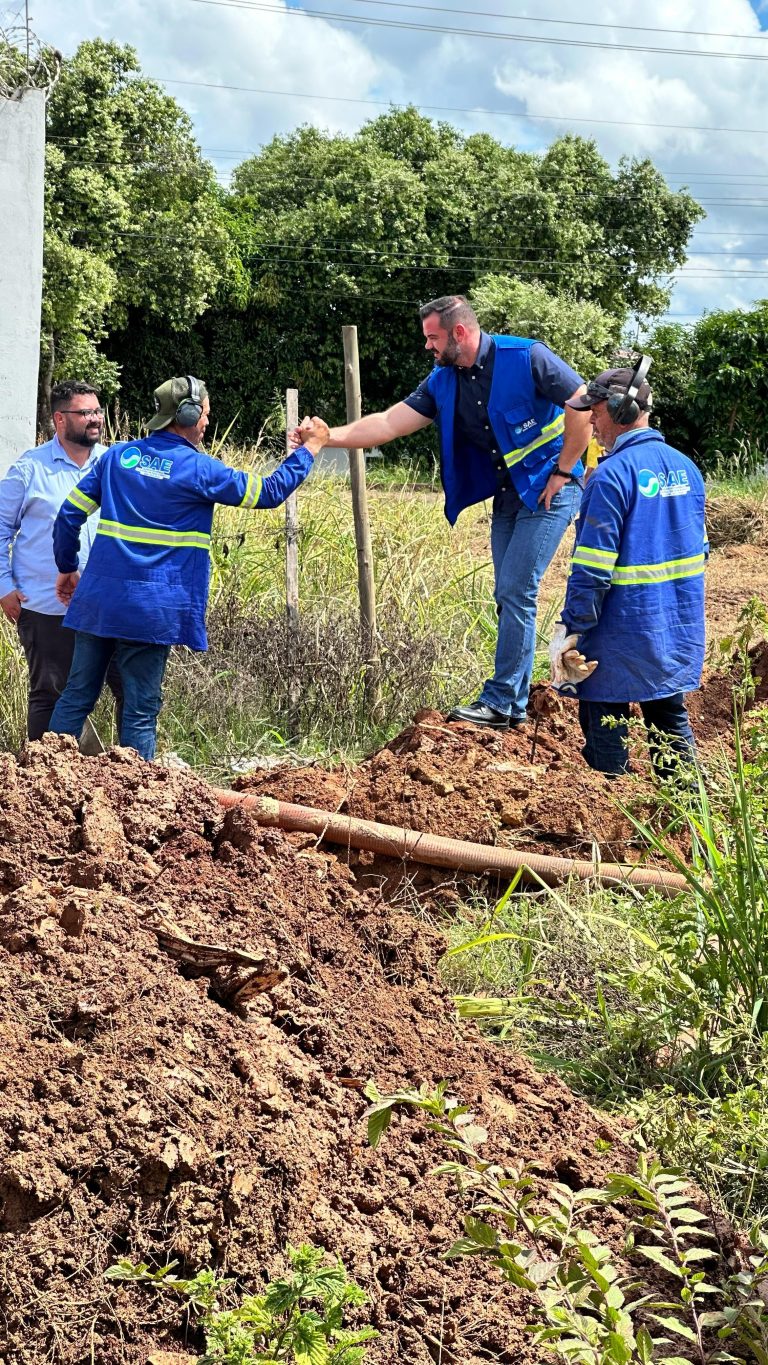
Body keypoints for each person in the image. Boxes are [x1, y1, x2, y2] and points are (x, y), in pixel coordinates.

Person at [300, 296, 592, 730]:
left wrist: (565, 470)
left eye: (432, 338)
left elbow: (584, 401)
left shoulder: (527, 356)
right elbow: (387, 423)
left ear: (459, 333)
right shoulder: (443, 380)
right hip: (510, 495)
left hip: (553, 490)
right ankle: (512, 704)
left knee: (516, 589)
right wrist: (327, 437)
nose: (427, 347)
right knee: (507, 593)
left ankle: (501, 701)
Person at [49, 375, 328, 761]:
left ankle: (44, 778)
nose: (208, 423)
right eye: (206, 415)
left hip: (97, 601)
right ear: (189, 413)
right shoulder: (200, 470)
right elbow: (269, 492)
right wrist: (309, 450)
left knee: (77, 695)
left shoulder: (117, 457)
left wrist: (66, 566)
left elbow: (67, 515)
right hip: (151, 610)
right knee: (140, 711)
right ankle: (137, 801)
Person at [549, 359, 708, 778]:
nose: (592, 423)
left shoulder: (610, 476)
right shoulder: (687, 470)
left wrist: (573, 630)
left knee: (605, 734)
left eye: (596, 412)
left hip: (619, 632)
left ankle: (610, 826)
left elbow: (592, 569)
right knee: (671, 730)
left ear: (620, 410)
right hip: (674, 632)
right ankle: (686, 826)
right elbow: (699, 553)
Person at [0, 380, 120, 743]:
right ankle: (40, 784)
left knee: (127, 690)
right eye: (85, 413)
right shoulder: (30, 469)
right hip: (47, 605)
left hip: (108, 604)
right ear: (60, 419)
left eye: (98, 411)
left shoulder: (115, 465)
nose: (95, 419)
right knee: (50, 693)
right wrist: (4, 587)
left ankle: (128, 783)